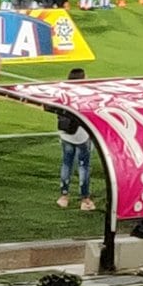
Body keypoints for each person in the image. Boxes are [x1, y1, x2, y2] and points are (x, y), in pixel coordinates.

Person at [56, 68, 94, 211]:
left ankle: (64, 196)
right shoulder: (85, 94)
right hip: (81, 135)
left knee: (66, 164)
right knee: (83, 166)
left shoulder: (62, 93)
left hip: (65, 134)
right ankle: (85, 199)